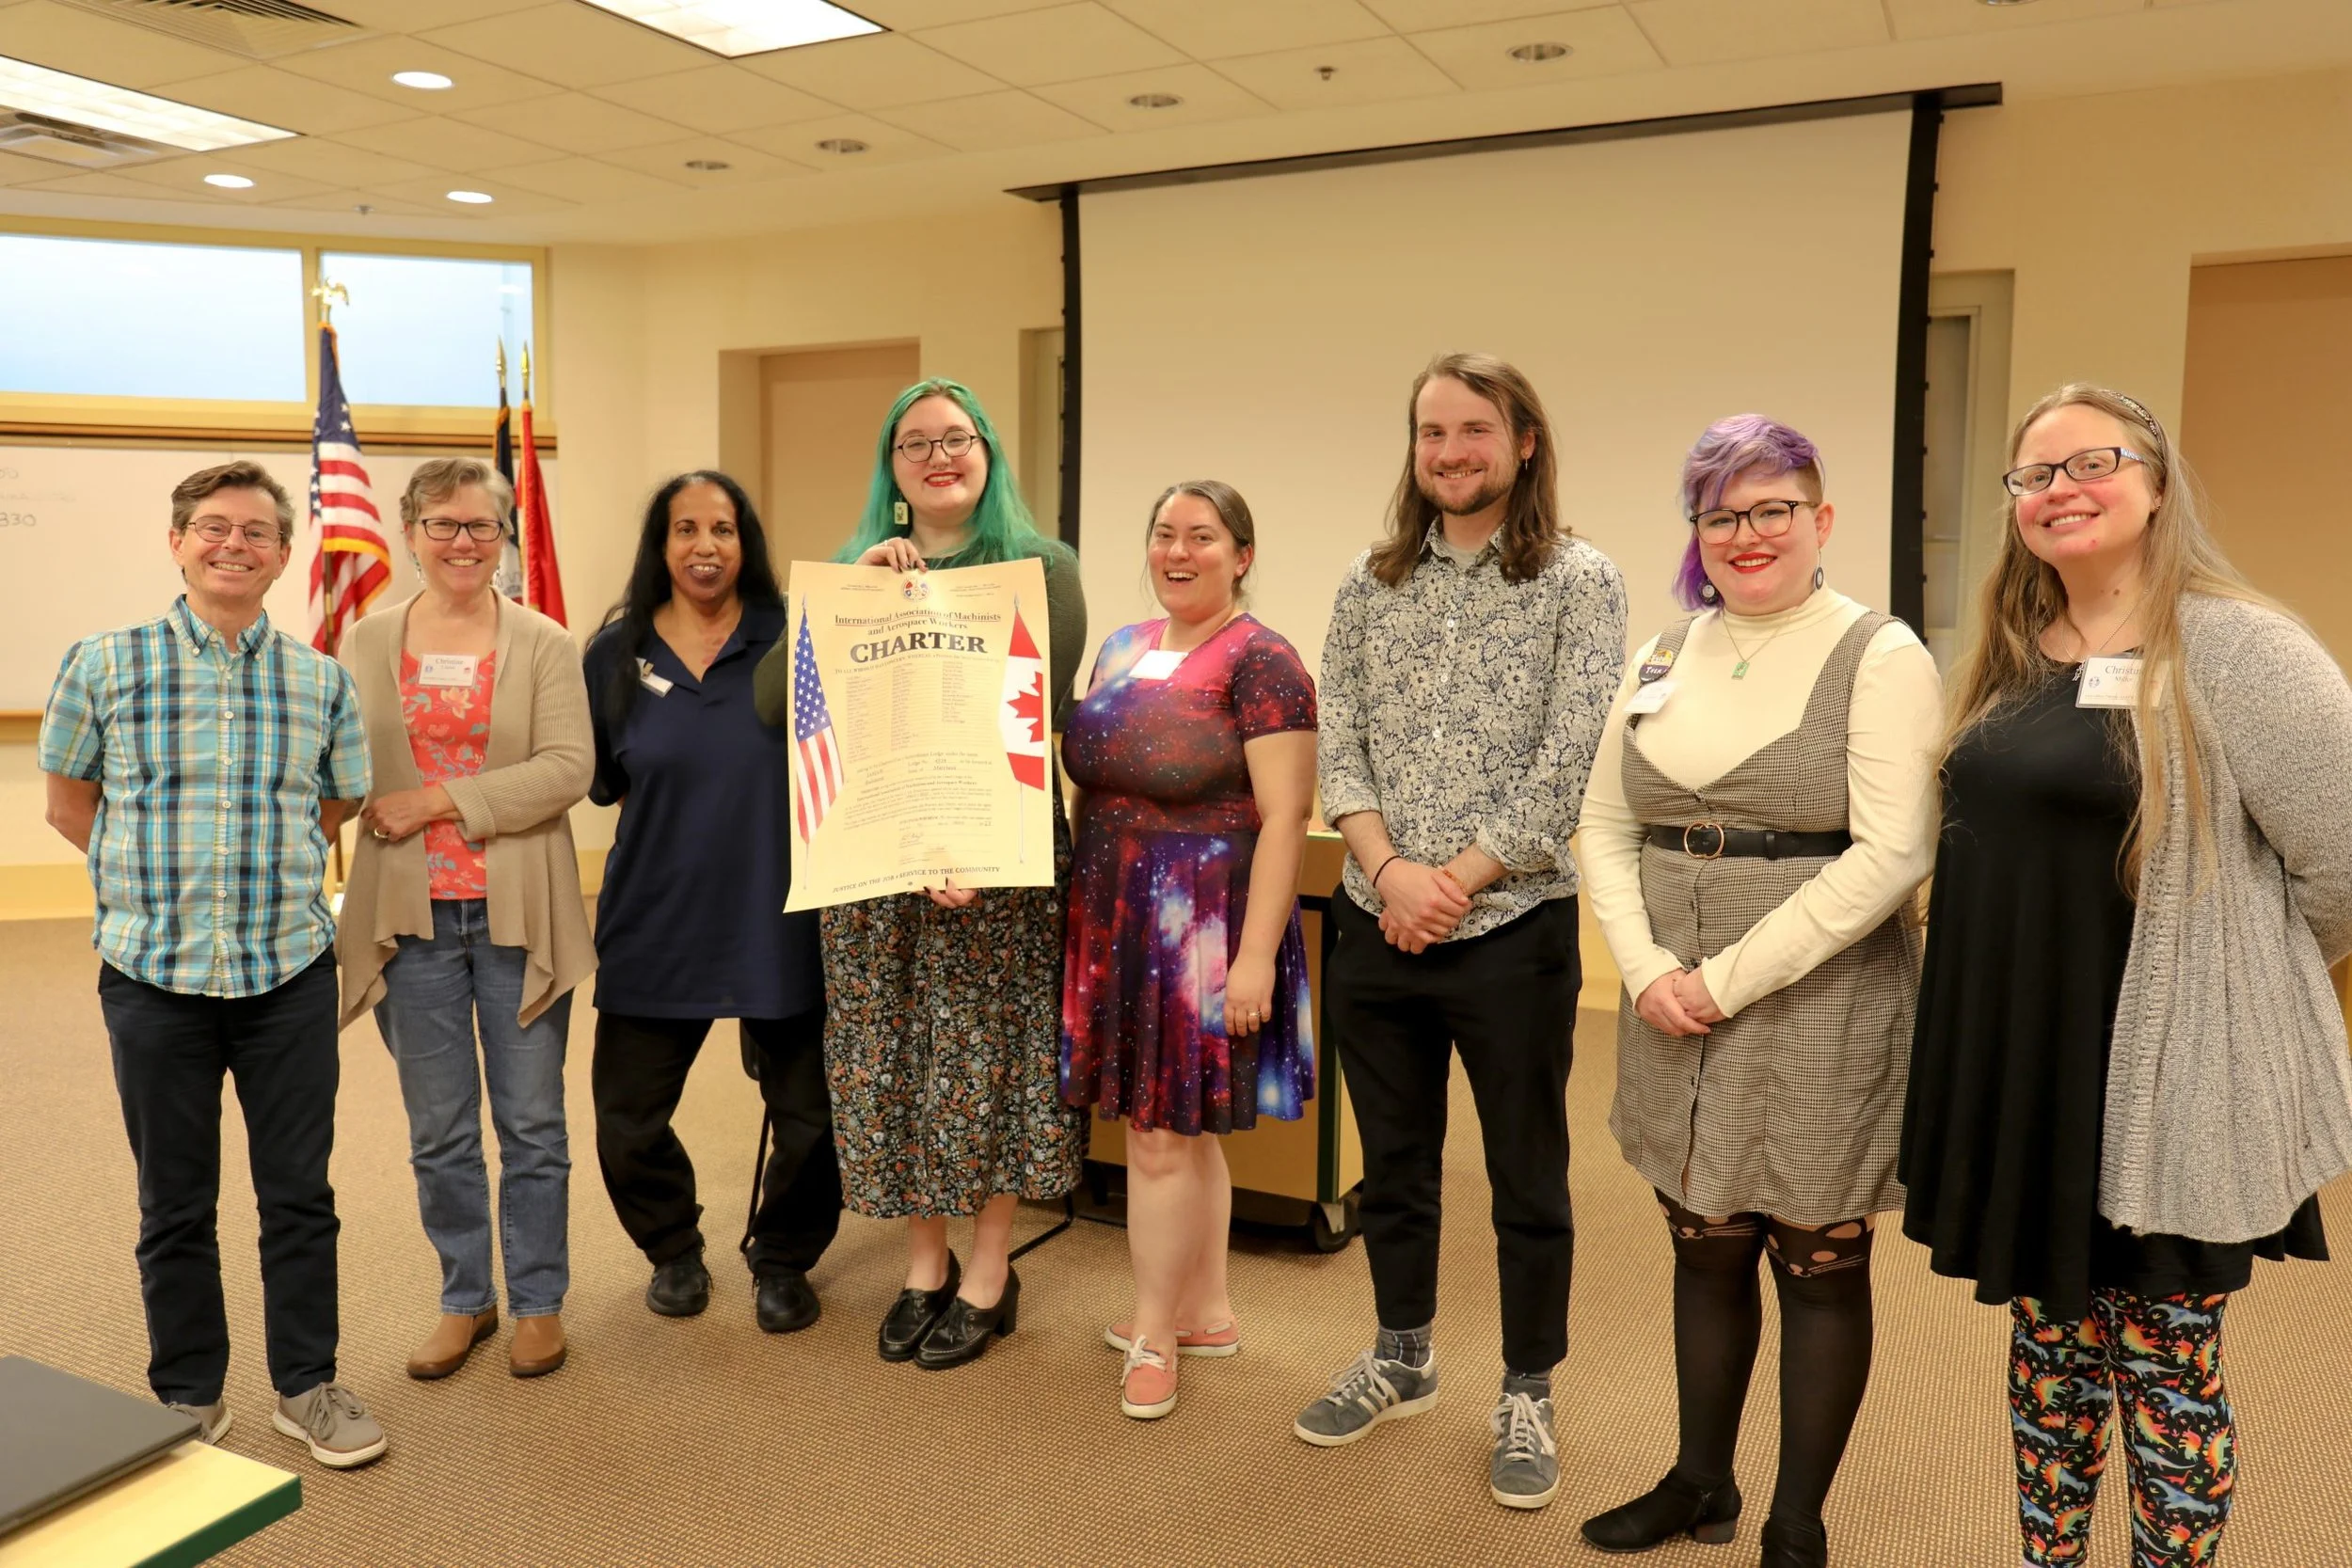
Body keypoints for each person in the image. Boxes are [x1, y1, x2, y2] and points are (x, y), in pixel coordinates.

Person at [1901, 384, 2344, 1568]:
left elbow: (2343, 859)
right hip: (2029, 1068)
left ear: (2154, 481)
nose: (2060, 488)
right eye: (2033, 474)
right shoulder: (2003, 649)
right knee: (2049, 1348)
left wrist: (2234, 978)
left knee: (2162, 1367)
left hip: (2166, 1075)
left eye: (2089, 461)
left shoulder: (2235, 643)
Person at [1572, 417, 1941, 1567]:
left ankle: (1795, 1523)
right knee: (1704, 1241)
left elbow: (1890, 854)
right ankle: (1699, 1480)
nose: (1746, 532)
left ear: (1820, 521)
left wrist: (1717, 982)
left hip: (1813, 997)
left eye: (1771, 507)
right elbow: (1602, 822)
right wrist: (1644, 972)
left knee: (1815, 1259)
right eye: (1720, 512)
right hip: (1668, 998)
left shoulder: (1878, 654)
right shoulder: (1661, 653)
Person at [1299, 352, 1626, 1510]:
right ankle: (1402, 1351)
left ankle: (1528, 1384)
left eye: (1473, 430)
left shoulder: (1579, 581)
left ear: (1522, 441)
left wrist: (1459, 880)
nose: (1449, 452)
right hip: (1374, 924)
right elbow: (1341, 745)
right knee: (1392, 1167)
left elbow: (1570, 754)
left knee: (1526, 1173)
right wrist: (1388, 871)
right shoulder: (1368, 581)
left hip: (1512, 930)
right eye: (1431, 432)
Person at [38, 460, 387, 1468]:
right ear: (178, 541)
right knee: (175, 1199)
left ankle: (308, 1385)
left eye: (257, 532)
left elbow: (336, 805)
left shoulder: (319, 678)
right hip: (152, 981)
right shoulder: (103, 662)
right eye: (213, 528)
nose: (234, 544)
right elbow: (70, 805)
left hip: (285, 977)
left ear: (284, 554)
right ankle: (187, 1391)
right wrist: (156, 884)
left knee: (298, 1193)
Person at [757, 377, 1086, 1371]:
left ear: (987, 451)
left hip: (997, 859)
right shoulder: (857, 566)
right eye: (914, 444)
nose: (938, 455)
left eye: (956, 438)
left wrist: (973, 848)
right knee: (895, 1059)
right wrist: (855, 586)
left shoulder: (1043, 564)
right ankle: (923, 1264)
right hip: (880, 861)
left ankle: (990, 1266)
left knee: (990, 1064)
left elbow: (1038, 707)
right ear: (892, 470)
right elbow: (780, 705)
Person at [1059, 481, 1319, 1421]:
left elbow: (1287, 814)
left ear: (1240, 554)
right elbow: (1094, 778)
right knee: (1178, 1128)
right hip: (1115, 917)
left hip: (1205, 930)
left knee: (1159, 1136)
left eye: (1201, 537)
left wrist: (1254, 959)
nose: (1178, 550)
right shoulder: (1121, 644)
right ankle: (1202, 1308)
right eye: (1163, 533)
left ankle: (1152, 1331)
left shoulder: (1264, 661)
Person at [336, 457, 594, 1382]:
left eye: (481, 526)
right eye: (442, 524)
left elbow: (568, 768)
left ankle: (536, 1302)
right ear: (407, 532)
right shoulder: (365, 641)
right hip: (409, 918)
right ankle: (464, 1299)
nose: (461, 541)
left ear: (504, 539)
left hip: (519, 913)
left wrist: (435, 798)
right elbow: (340, 764)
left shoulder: (544, 642)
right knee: (438, 1126)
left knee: (532, 1123)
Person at [584, 470, 841, 1334]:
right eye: (686, 529)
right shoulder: (613, 655)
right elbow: (608, 781)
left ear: (746, 543)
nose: (705, 546)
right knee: (625, 1117)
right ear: (661, 546)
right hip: (656, 919)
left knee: (811, 1117)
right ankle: (673, 1249)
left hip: (782, 922)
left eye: (723, 529)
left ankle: (783, 1256)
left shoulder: (795, 638)